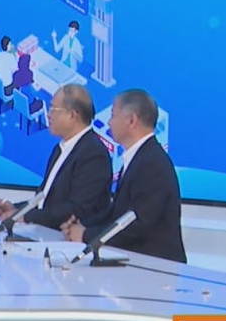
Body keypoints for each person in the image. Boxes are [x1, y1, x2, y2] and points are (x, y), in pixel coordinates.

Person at [61, 89, 186, 263]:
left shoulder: (151, 164)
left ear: (132, 120)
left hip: (155, 267)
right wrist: (82, 224)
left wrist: (86, 235)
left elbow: (137, 224)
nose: (109, 122)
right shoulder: (139, 157)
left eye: (113, 116)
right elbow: (117, 212)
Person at [0, 84, 111, 230]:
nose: (48, 115)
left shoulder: (93, 153)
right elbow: (46, 201)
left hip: (69, 238)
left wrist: (25, 216)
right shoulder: (60, 149)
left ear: (72, 115)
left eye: (53, 109)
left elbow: (77, 208)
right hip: (45, 233)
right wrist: (16, 209)